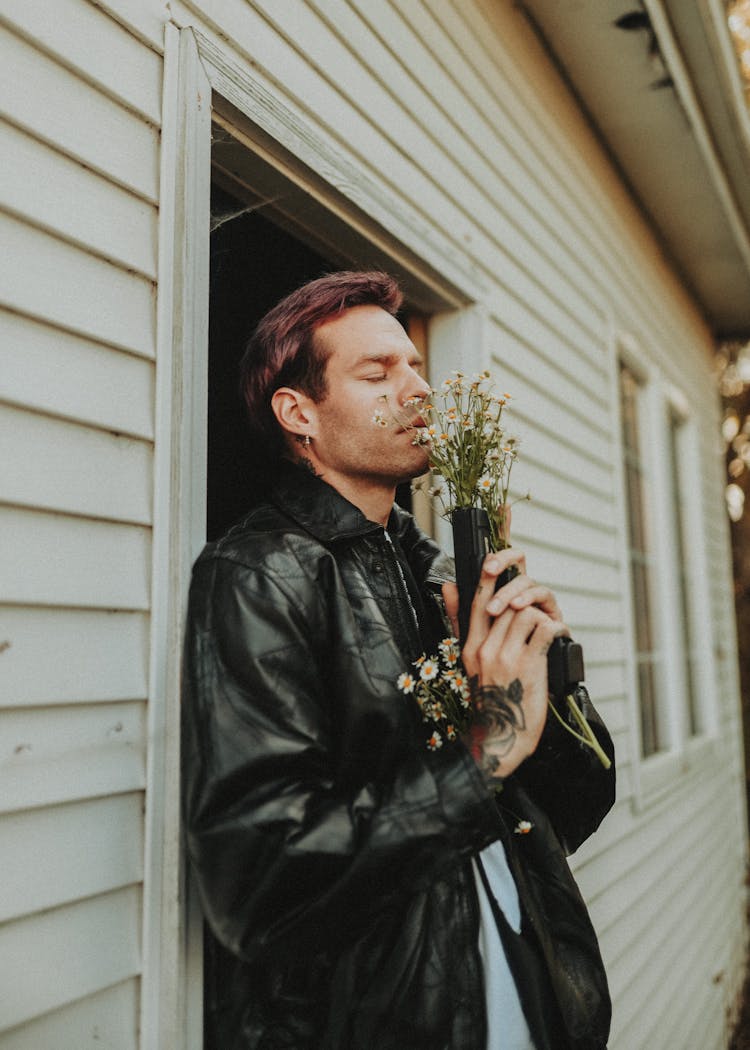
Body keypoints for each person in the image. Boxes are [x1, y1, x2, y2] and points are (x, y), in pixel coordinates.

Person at [182, 271, 616, 1050]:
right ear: (299, 413)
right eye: (378, 373)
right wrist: (481, 753)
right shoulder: (260, 575)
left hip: (520, 998)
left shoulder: (441, 574)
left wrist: (543, 679)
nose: (418, 389)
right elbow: (260, 888)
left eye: (415, 366)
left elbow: (577, 809)